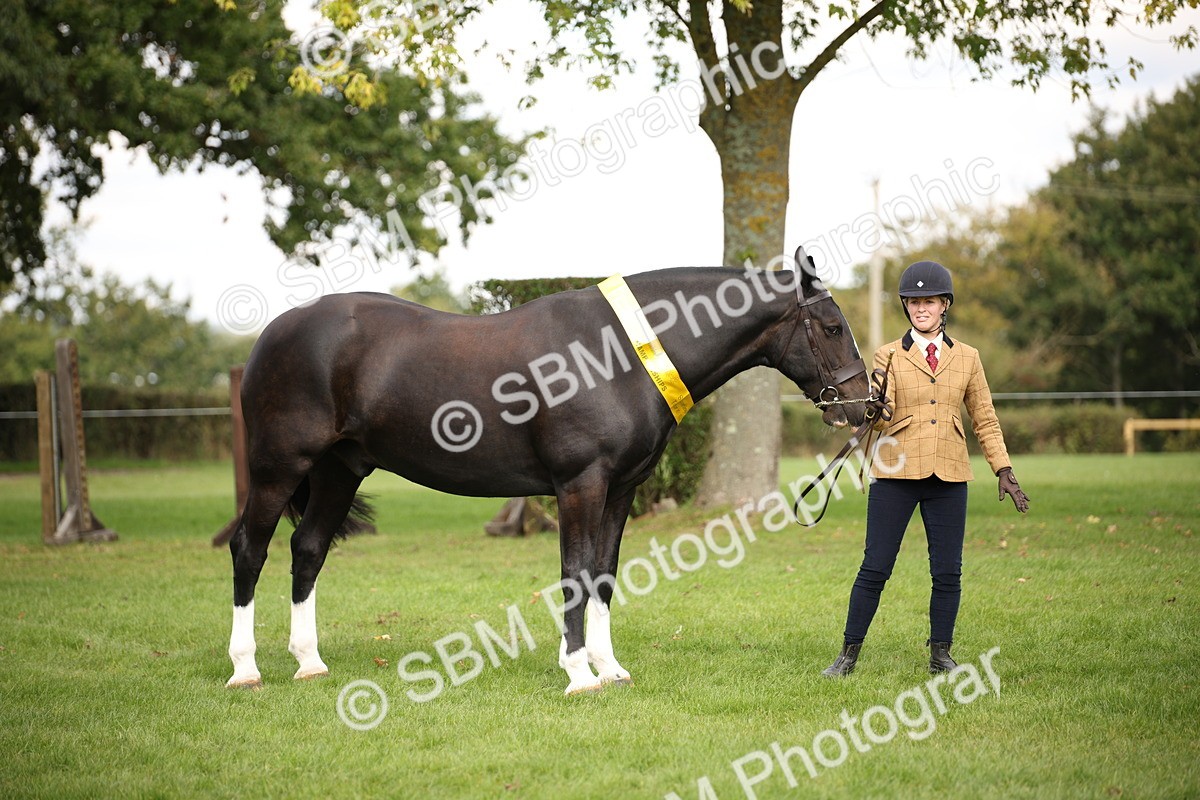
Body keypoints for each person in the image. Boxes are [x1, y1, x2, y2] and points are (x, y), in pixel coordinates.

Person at [822, 260, 1029, 677]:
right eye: (914, 302)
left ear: (944, 306)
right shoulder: (889, 355)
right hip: (896, 475)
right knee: (875, 565)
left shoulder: (968, 358)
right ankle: (847, 655)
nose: (921, 309)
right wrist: (876, 410)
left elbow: (984, 416)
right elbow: (879, 416)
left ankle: (941, 654)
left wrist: (1002, 468)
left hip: (949, 475)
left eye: (928, 302)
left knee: (947, 570)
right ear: (906, 307)